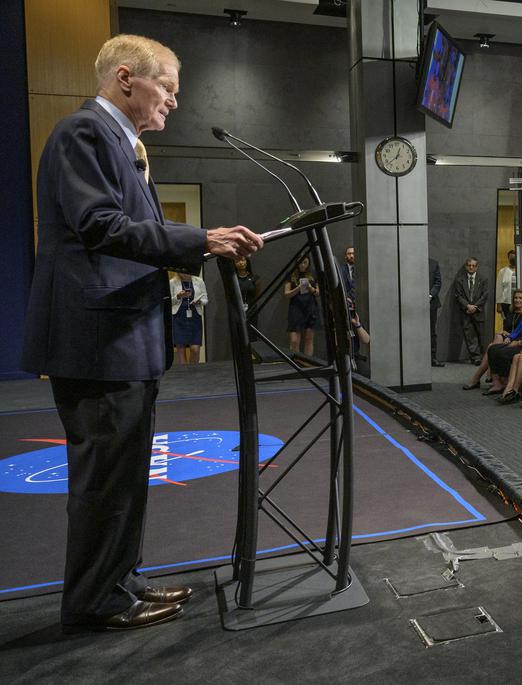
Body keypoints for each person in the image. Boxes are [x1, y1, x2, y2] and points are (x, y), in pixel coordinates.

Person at [22, 34, 263, 632]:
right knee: (106, 481)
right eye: (169, 88)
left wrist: (198, 243)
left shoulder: (121, 144)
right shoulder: (84, 133)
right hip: (97, 344)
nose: (175, 103)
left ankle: (119, 582)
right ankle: (93, 602)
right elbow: (100, 226)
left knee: (124, 477)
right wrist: (199, 240)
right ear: (127, 78)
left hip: (123, 342)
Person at [463, 288, 522, 391]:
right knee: (498, 336)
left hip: (518, 340)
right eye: (516, 298)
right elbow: (507, 328)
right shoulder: (510, 311)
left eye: (521, 298)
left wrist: (510, 335)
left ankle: (480, 377)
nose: (518, 300)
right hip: (507, 338)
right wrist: (504, 333)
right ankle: (490, 377)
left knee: (492, 346)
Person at [453, 257, 489, 364]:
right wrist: (468, 306)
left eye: (473, 265)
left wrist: (475, 307)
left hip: (478, 311)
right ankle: (476, 358)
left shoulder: (483, 279)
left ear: (477, 267)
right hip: (466, 312)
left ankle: (485, 357)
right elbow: (458, 295)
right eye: (469, 265)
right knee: (470, 336)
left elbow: (485, 295)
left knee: (481, 335)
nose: (471, 267)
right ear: (466, 266)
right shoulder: (460, 280)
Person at [169, 270, 207, 364]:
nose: (185, 272)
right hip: (179, 317)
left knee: (195, 349)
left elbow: (205, 298)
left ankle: (193, 373)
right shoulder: (172, 282)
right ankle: (185, 375)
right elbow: (168, 301)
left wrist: (200, 302)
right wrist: (178, 296)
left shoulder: (199, 281)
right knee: (181, 350)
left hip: (195, 316)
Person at [284, 255, 320, 356]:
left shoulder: (313, 273)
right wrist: (298, 288)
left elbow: (318, 293)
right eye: (300, 262)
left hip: (311, 307)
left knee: (309, 338)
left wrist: (310, 288)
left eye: (305, 262)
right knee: (294, 340)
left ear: (309, 263)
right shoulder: (291, 274)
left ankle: (307, 364)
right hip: (296, 307)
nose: (302, 265)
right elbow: (286, 294)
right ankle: (295, 364)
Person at [497, 249, 517, 330]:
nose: (513, 260)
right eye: (511, 258)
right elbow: (499, 288)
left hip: (519, 302)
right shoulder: (502, 271)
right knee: (507, 324)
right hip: (506, 302)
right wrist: (498, 304)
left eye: (515, 258)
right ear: (508, 258)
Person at [430, 257, 444, 367]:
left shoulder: (434, 263)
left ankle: (432, 358)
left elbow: (438, 282)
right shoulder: (410, 261)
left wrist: (430, 295)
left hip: (431, 303)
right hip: (413, 303)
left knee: (432, 332)